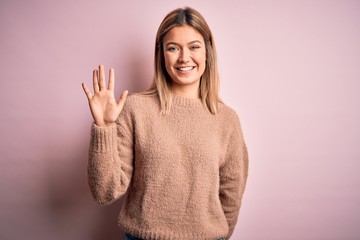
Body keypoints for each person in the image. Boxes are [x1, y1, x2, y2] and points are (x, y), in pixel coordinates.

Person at [82, 7, 248, 240]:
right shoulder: (136, 109)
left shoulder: (226, 120)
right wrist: (104, 126)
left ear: (208, 52)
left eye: (194, 46)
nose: (184, 57)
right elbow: (104, 192)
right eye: (173, 48)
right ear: (161, 54)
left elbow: (231, 196)